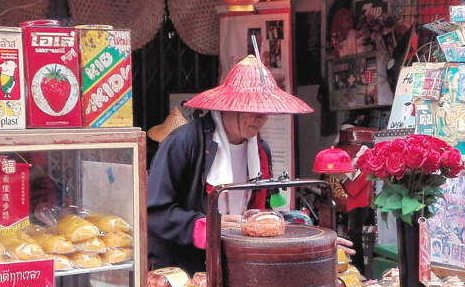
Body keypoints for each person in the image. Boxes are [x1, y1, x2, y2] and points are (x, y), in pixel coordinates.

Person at [147, 54, 353, 274]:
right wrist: (207, 226)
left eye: (265, 111)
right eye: (254, 109)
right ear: (230, 106)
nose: (261, 118)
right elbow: (155, 210)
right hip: (182, 268)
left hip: (235, 265)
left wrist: (315, 240)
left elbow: (258, 215)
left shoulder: (261, 150)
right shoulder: (185, 142)